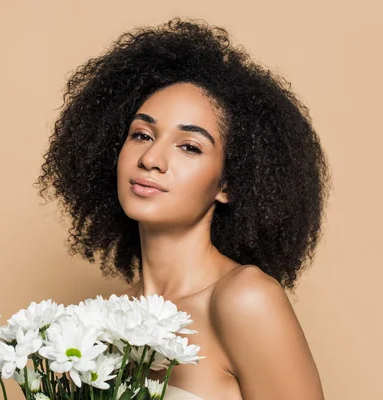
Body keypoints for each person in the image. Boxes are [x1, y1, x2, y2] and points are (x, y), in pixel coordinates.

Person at [35, 17, 330, 399]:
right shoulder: (105, 323)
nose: (152, 158)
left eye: (189, 146)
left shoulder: (244, 300)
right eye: (142, 135)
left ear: (228, 183)